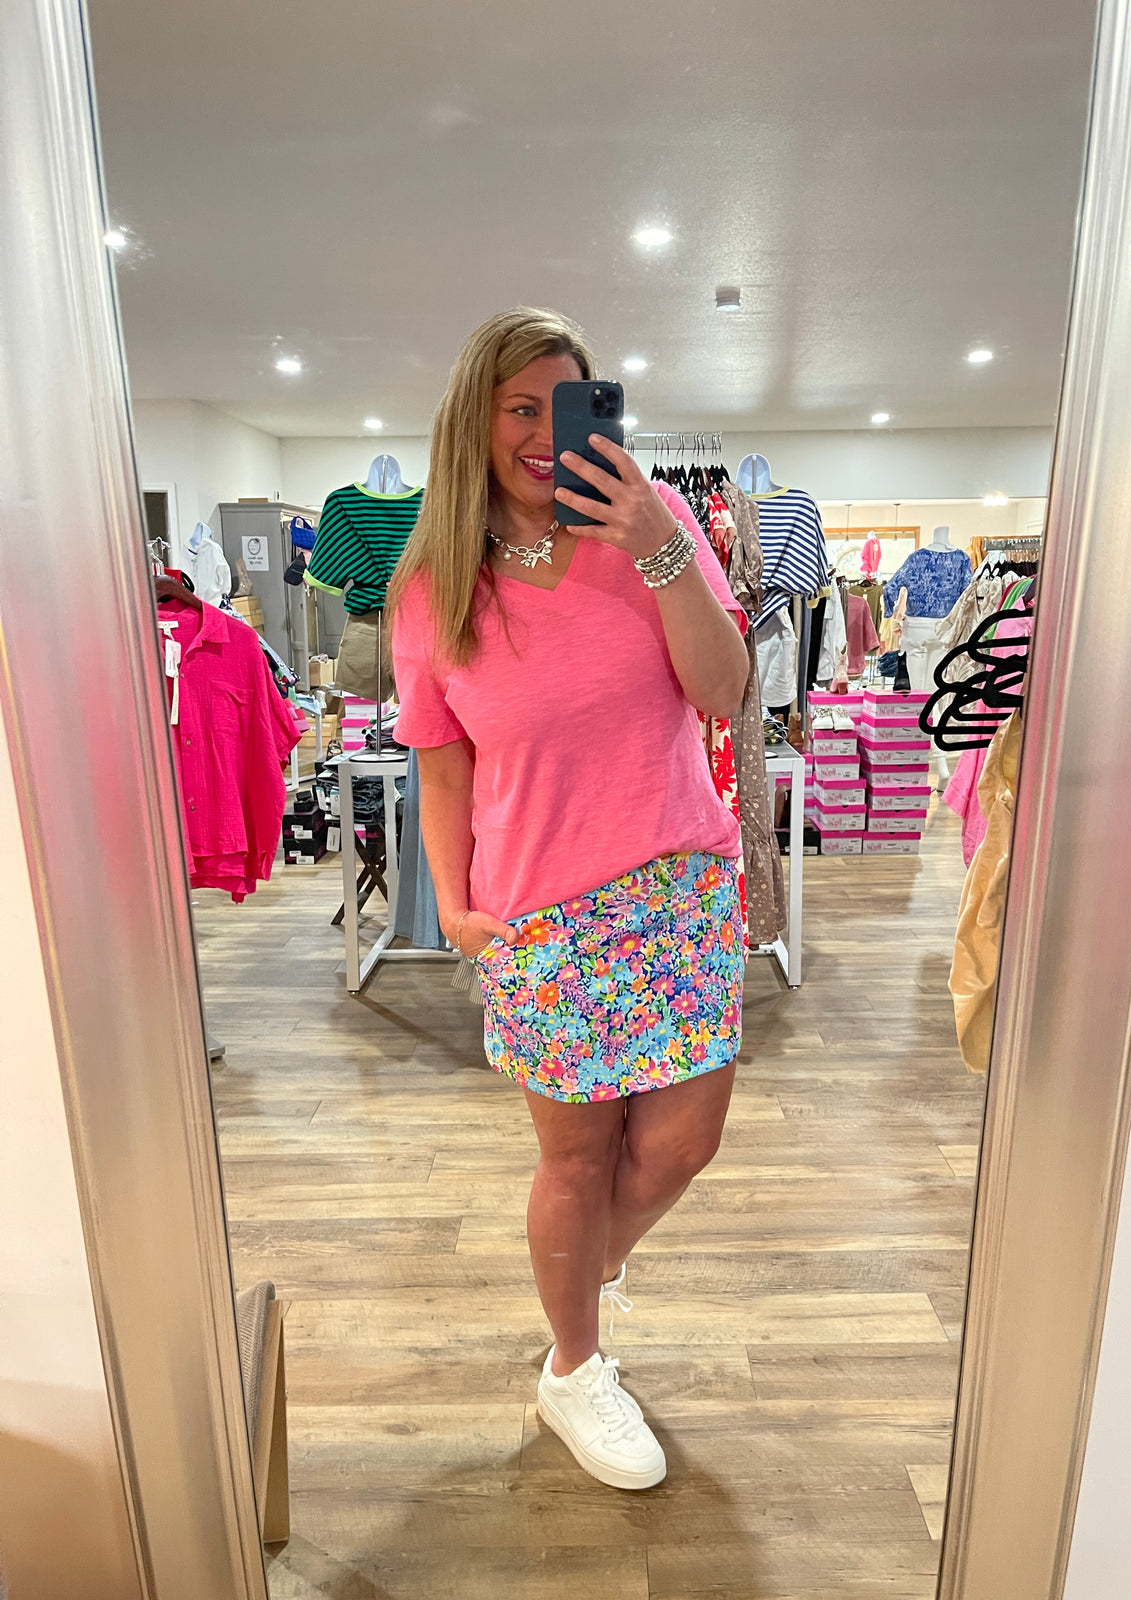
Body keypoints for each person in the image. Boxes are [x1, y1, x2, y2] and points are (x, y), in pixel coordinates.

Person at [388, 307, 750, 1490]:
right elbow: (442, 763)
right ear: (476, 421)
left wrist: (657, 543)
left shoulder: (657, 527)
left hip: (680, 885)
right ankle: (573, 1364)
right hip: (541, 909)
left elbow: (723, 691)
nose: (547, 433)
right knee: (578, 1159)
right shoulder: (432, 586)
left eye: (568, 405)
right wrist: (452, 902)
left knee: (683, 1142)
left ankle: (582, 1269)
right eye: (521, 408)